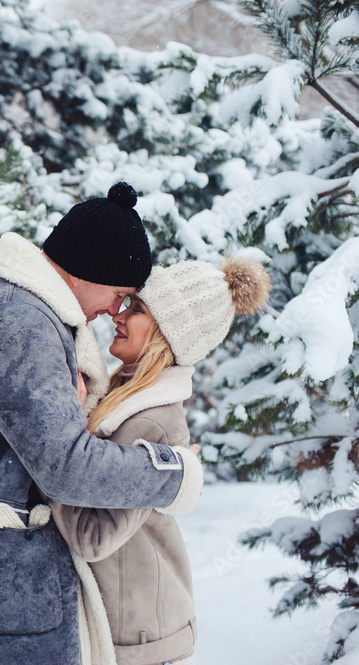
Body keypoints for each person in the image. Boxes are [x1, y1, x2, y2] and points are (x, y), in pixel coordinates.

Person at [0, 182, 205, 665]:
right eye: (120, 293)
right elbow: (66, 466)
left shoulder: (22, 312)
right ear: (92, 270)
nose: (115, 310)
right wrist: (173, 474)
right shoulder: (15, 323)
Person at [50, 256, 271, 665]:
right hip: (131, 625)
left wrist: (56, 441)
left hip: (141, 637)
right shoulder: (124, 397)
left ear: (167, 336)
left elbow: (92, 537)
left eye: (136, 310)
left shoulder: (152, 422)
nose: (118, 314)